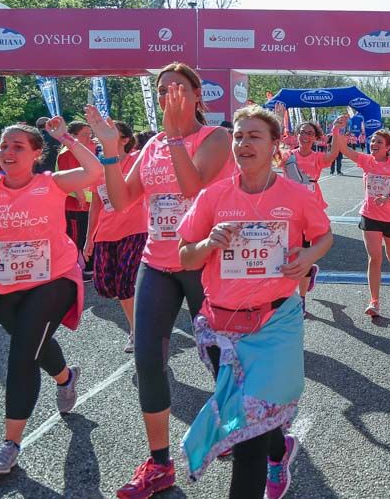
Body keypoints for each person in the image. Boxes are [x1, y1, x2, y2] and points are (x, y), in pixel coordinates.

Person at [87, 62, 234, 499]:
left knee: (220, 359)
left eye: (177, 87)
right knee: (148, 359)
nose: (169, 93)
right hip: (158, 263)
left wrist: (172, 136)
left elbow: (194, 188)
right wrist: (111, 151)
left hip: (205, 262)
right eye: (162, 88)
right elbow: (121, 197)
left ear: (196, 95)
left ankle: (249, 430)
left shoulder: (217, 138)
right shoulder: (151, 145)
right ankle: (159, 463)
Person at [178, 105, 333, 499]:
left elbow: (323, 237)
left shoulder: (296, 196)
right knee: (252, 418)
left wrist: (309, 257)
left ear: (275, 145)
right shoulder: (213, 196)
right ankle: (280, 453)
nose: (244, 143)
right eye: (239, 136)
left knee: (248, 432)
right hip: (221, 328)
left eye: (254, 136)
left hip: (275, 322)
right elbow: (184, 256)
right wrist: (206, 242)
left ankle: (267, 457)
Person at [0, 119, 101, 474]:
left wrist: (65, 137)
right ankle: (65, 377)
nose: (8, 152)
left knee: (22, 354)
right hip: (0, 287)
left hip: (54, 278)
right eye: (4, 145)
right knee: (34, 343)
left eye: (18, 146)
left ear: (36, 154)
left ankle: (10, 444)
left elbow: (92, 172)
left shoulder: (51, 183)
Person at [333, 117, 390, 317]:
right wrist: (337, 129)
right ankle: (374, 301)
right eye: (372, 141)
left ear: (388, 147)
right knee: (374, 258)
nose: (373, 144)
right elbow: (344, 149)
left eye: (378, 142)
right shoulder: (366, 161)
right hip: (370, 216)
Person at [82, 120, 147, 352]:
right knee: (105, 287)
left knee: (125, 284)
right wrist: (89, 238)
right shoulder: (99, 167)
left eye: (110, 133)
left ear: (126, 139)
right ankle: (144, 312)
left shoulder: (137, 160)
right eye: (101, 134)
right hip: (106, 234)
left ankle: (136, 331)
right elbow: (96, 206)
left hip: (136, 230)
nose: (102, 137)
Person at [278, 120, 338, 301]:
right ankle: (305, 274)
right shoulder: (287, 156)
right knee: (285, 252)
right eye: (302, 132)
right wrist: (278, 120)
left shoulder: (317, 157)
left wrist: (336, 130)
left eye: (310, 133)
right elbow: (269, 151)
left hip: (311, 210)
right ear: (297, 135)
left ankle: (301, 299)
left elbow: (333, 153)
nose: (305, 136)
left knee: (304, 251)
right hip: (288, 210)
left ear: (315, 137)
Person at [58, 121, 98, 281]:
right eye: (84, 135)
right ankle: (76, 270)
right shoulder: (68, 152)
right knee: (76, 237)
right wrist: (80, 194)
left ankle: (88, 268)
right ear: (72, 136)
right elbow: (69, 174)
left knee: (87, 236)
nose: (89, 138)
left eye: (90, 134)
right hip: (75, 204)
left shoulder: (85, 150)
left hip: (87, 203)